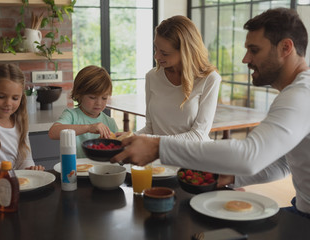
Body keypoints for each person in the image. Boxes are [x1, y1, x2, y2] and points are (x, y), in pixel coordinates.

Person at [111, 8, 310, 219]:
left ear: (285, 48)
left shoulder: (300, 96)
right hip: (301, 207)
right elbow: (283, 163)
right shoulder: (295, 94)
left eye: (254, 50)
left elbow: (249, 155)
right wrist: (229, 177)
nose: (245, 59)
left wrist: (157, 147)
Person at [135, 15, 221, 141]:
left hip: (194, 157)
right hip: (159, 157)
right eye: (155, 48)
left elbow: (198, 135)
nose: (156, 56)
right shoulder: (152, 76)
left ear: (185, 52)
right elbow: (150, 128)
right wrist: (129, 138)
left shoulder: (209, 79)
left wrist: (152, 142)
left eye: (164, 53)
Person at [48, 65, 118, 158]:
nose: (99, 103)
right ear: (78, 94)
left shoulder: (110, 123)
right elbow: (53, 133)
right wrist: (88, 127)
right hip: (74, 170)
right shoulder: (71, 115)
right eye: (92, 97)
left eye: (104, 98)